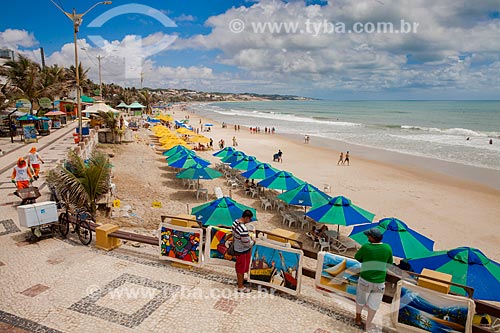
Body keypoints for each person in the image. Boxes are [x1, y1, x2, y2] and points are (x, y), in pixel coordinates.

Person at [354, 227, 393, 331]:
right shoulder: (387, 248)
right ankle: (368, 324)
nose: (367, 237)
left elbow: (357, 257)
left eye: (368, 236)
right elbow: (389, 264)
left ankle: (358, 319)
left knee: (360, 300)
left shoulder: (366, 247)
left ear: (372, 238)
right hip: (379, 282)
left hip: (365, 279)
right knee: (374, 305)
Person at [232, 210, 255, 293]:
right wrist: (253, 241)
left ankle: (240, 280)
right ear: (246, 218)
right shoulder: (243, 229)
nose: (249, 221)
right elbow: (247, 244)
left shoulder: (235, 222)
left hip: (237, 248)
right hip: (242, 250)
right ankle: (240, 286)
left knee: (239, 266)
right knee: (241, 268)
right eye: (249, 219)